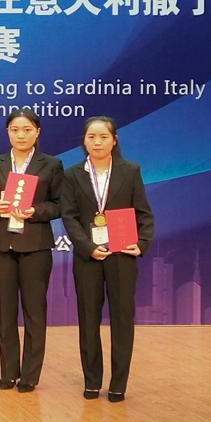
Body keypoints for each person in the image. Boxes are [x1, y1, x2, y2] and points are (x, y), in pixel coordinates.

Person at [61, 116, 154, 403]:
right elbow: (69, 217)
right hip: (88, 257)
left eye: (103, 137)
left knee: (122, 320)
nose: (97, 142)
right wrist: (87, 247)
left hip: (121, 256)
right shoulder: (72, 174)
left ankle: (118, 384)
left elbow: (144, 213)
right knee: (88, 319)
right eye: (91, 137)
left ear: (114, 140)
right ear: (84, 141)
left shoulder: (130, 171)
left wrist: (141, 243)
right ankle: (92, 381)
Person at [0, 108, 63, 393]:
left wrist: (35, 211)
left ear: (37, 132)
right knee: (4, 312)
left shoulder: (51, 164)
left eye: (27, 130)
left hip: (35, 246)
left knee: (34, 311)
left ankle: (30, 375)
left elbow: (59, 204)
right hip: (1, 245)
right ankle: (8, 372)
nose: (21, 135)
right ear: (8, 132)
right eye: (15, 130)